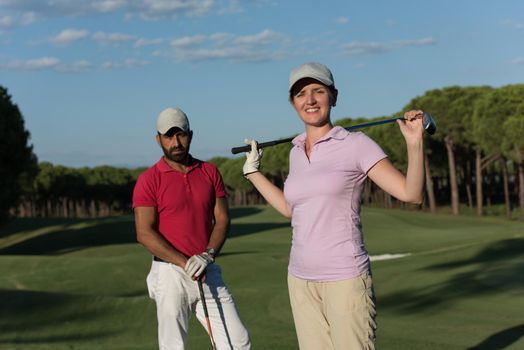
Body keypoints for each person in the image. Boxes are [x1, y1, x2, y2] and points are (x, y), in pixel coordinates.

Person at [242, 62, 425, 350]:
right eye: (301, 94)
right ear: (293, 103)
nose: (310, 100)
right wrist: (253, 174)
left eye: (318, 91)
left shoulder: (356, 144)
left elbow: (411, 194)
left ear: (334, 97)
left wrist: (414, 144)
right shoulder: (295, 151)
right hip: (300, 280)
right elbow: (292, 210)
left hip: (345, 280)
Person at [133, 107, 251, 350]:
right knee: (173, 346)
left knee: (237, 342)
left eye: (181, 135)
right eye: (169, 136)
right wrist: (184, 262)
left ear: (191, 135)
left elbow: (222, 220)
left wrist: (207, 255)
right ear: (159, 139)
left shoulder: (209, 172)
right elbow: (144, 233)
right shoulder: (149, 179)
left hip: (207, 267)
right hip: (169, 274)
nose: (176, 142)